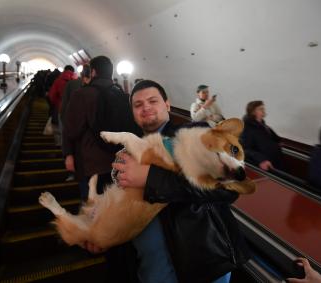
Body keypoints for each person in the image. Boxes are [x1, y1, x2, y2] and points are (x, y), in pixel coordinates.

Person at [87, 80, 249, 283]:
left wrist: (150, 177)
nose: (145, 107)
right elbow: (123, 198)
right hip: (151, 269)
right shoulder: (129, 149)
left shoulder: (196, 134)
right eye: (138, 105)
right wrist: (103, 225)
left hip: (203, 264)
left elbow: (227, 190)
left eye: (152, 101)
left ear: (167, 105)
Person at [62, 56, 138, 283]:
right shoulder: (122, 95)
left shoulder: (82, 94)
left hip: (90, 162)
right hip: (118, 162)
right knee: (113, 204)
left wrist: (68, 154)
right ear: (111, 71)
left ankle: (92, 244)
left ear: (92, 71)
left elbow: (71, 128)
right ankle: (112, 241)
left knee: (91, 202)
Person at [240, 100, 284, 171]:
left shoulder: (263, 125)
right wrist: (261, 159)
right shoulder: (247, 128)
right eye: (260, 109)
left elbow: (274, 138)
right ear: (253, 112)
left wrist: (278, 141)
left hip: (275, 161)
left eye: (263, 108)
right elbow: (244, 149)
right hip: (265, 164)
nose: (263, 110)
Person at [48, 65, 77, 145]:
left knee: (61, 128)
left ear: (64, 70)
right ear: (73, 71)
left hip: (61, 108)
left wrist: (56, 104)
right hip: (75, 109)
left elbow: (52, 96)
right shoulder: (77, 81)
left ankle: (62, 146)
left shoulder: (58, 80)